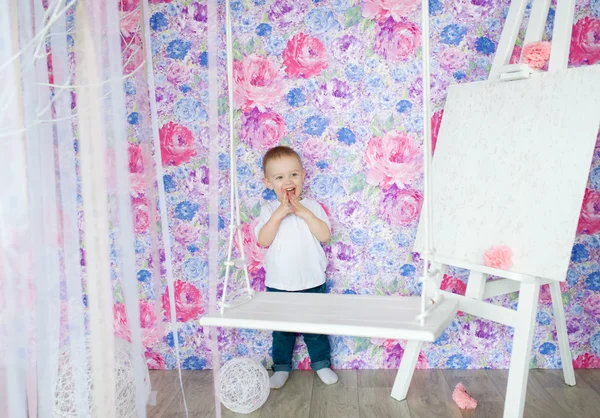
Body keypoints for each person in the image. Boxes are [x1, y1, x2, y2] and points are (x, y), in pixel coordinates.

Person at [254, 145, 339, 389]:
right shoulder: (268, 210)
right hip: (280, 283)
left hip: (312, 280)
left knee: (315, 328)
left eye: (293, 174)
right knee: (282, 331)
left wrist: (304, 213)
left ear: (302, 176)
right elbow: (264, 240)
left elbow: (324, 235)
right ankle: (281, 368)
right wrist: (280, 213)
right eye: (279, 177)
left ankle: (321, 364)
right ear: (268, 182)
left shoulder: (312, 206)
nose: (288, 181)